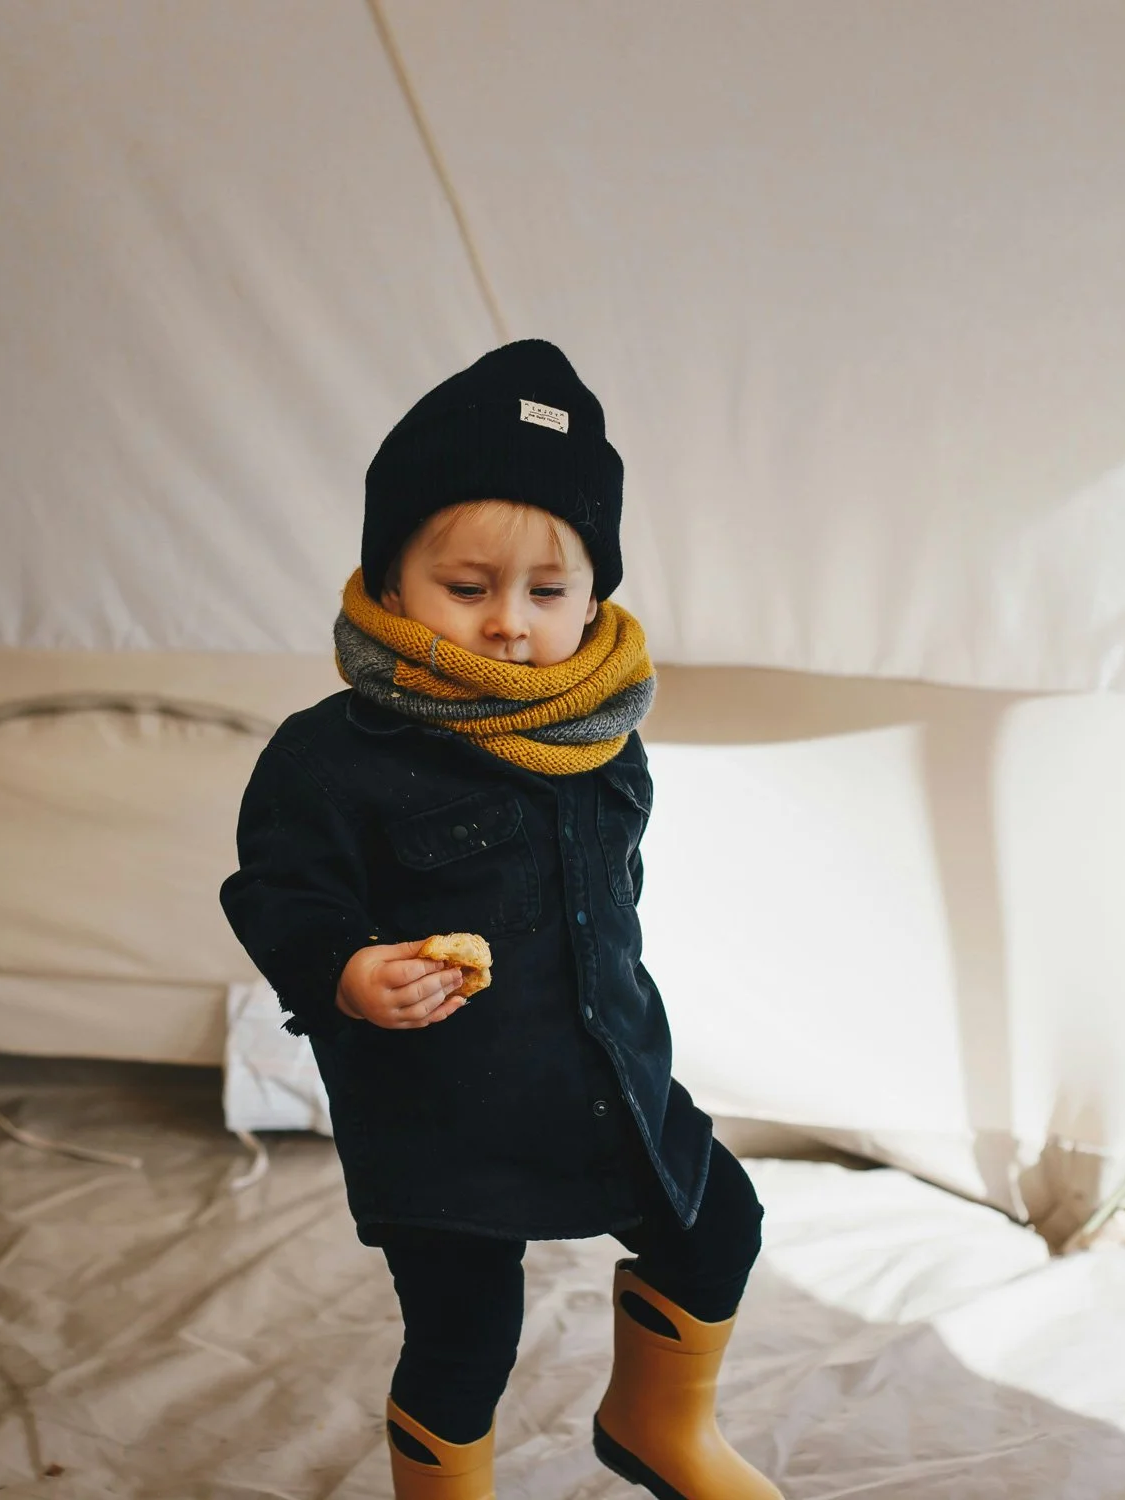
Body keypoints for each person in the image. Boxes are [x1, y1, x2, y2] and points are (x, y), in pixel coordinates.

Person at [221, 340, 782, 1500]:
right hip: (440, 1113)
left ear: (594, 596)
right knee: (466, 1335)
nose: (510, 624)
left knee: (720, 1222)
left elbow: (605, 912)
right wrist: (346, 969)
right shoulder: (331, 758)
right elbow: (279, 894)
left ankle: (656, 1424)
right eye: (467, 589)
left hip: (603, 1071)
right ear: (386, 585)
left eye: (548, 591)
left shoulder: (596, 732)